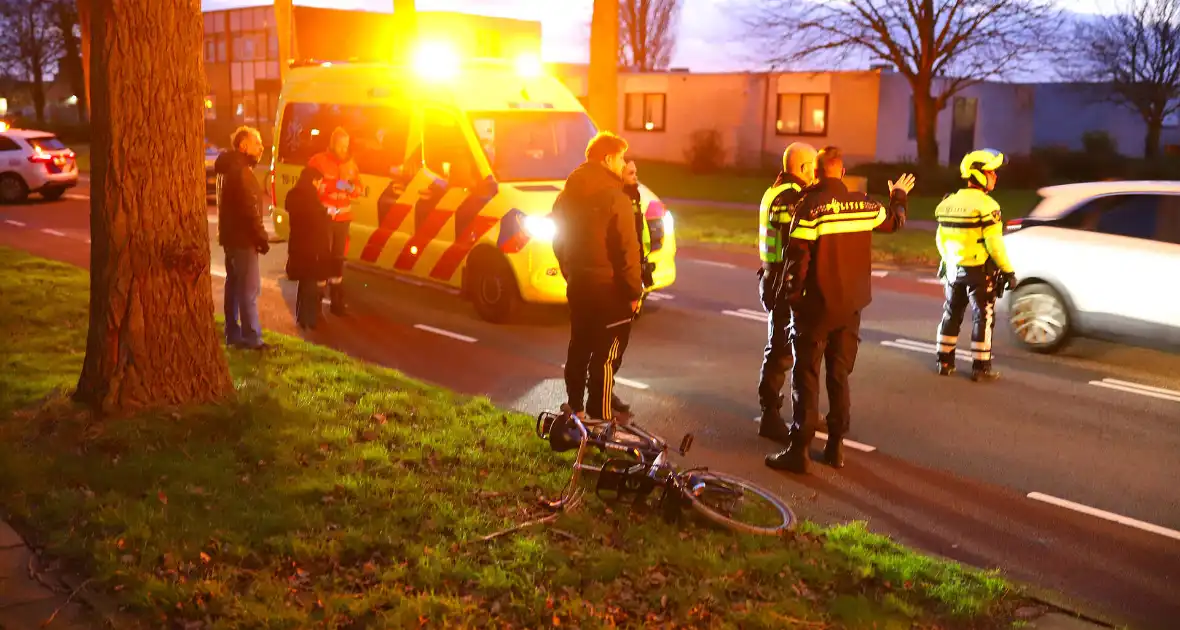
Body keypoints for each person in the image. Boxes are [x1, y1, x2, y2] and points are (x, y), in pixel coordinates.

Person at [766, 147, 914, 473]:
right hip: (851, 307)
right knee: (839, 374)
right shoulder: (864, 203)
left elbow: (796, 262)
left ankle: (799, 450)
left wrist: (790, 300)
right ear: (843, 173)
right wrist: (899, 196)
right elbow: (895, 222)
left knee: (806, 376)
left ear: (816, 174)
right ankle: (835, 446)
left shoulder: (808, 207)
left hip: (816, 308)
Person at [552, 131, 644, 424]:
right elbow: (627, 251)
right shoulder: (615, 198)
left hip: (579, 284)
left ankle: (576, 409)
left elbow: (558, 239)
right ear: (606, 159)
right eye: (619, 159)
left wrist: (572, 272)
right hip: (610, 291)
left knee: (579, 346)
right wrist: (633, 293)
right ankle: (600, 420)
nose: (622, 164)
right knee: (605, 355)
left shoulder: (567, 195)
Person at [933, 148, 1017, 381]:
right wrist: (1008, 271)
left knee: (951, 314)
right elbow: (994, 244)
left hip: (953, 270)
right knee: (983, 317)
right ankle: (981, 368)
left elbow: (941, 239)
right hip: (979, 272)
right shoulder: (988, 206)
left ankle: (944, 361)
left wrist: (947, 261)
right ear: (979, 174)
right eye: (991, 172)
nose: (995, 177)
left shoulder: (948, 203)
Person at [756, 142, 817, 444]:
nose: (816, 174)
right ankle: (770, 416)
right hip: (781, 281)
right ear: (804, 168)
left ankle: (776, 410)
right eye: (814, 168)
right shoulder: (790, 198)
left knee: (779, 347)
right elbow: (798, 240)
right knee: (780, 350)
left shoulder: (776, 190)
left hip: (773, 277)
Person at [215, 125, 270, 350]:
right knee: (249, 289)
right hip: (243, 239)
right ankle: (252, 337)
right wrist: (261, 237)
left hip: (231, 238)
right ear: (243, 145)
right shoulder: (241, 172)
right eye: (257, 143)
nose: (261, 148)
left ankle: (233, 333)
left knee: (234, 286)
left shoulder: (228, 168)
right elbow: (249, 209)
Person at [606, 159, 654, 415]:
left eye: (636, 172)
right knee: (613, 339)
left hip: (633, 272)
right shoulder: (617, 199)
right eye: (631, 172)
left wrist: (644, 261)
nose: (635, 177)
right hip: (619, 280)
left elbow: (639, 233)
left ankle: (605, 388)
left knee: (620, 339)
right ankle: (602, 392)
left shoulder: (634, 197)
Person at [308, 127, 363, 316]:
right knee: (322, 259)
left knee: (338, 259)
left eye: (346, 146)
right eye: (341, 146)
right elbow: (311, 185)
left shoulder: (350, 164)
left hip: (343, 219)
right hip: (325, 218)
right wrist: (340, 185)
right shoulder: (318, 161)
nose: (344, 150)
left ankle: (336, 301)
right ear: (332, 144)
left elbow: (358, 189)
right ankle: (315, 302)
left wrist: (344, 186)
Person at [284, 166, 332, 330]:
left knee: (304, 282)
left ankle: (301, 317)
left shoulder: (294, 194)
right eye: (319, 182)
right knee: (311, 283)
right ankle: (309, 320)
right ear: (313, 181)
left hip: (298, 245)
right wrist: (327, 214)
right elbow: (316, 222)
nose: (320, 186)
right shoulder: (311, 197)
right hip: (312, 247)